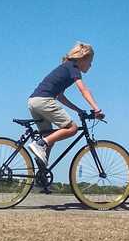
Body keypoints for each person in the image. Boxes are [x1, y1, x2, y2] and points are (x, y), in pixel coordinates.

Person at [26, 42, 103, 173]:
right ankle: (39, 144)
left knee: (49, 138)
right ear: (82, 58)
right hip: (44, 100)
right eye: (90, 61)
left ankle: (41, 178)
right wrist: (96, 108)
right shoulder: (73, 67)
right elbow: (83, 90)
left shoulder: (65, 68)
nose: (90, 65)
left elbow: (60, 97)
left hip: (34, 101)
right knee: (72, 128)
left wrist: (78, 110)